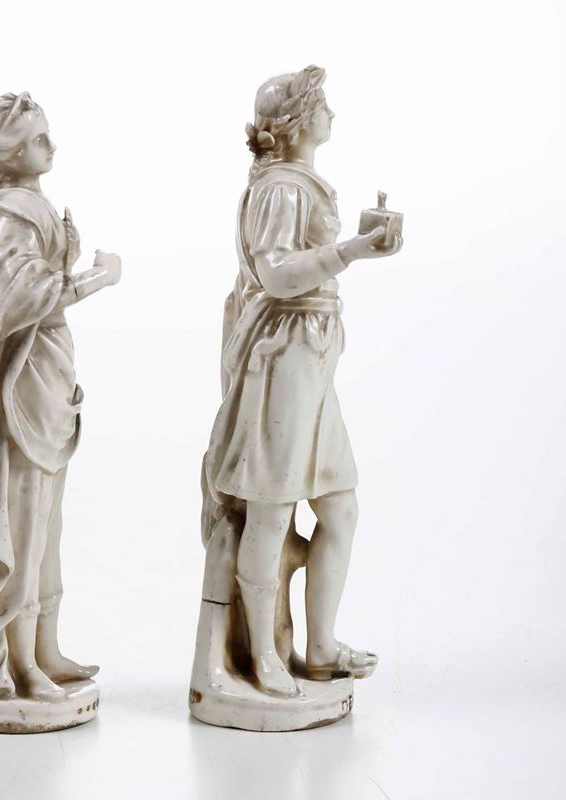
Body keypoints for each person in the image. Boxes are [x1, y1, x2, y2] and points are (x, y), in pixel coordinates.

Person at [201, 67, 402, 696]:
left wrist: (359, 249)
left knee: (340, 506)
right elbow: (277, 274)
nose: (331, 113)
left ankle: (320, 646)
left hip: (311, 357)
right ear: (297, 121)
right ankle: (263, 652)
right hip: (282, 356)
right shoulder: (281, 189)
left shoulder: (298, 182)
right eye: (322, 104)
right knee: (271, 509)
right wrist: (351, 251)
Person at [0, 92, 121, 702]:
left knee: (47, 526)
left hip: (45, 377)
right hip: (15, 387)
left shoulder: (28, 206)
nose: (52, 146)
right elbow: (19, 299)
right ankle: (17, 665)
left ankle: (45, 648)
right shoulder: (4, 217)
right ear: (11, 153)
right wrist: (99, 277)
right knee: (21, 525)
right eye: (40, 139)